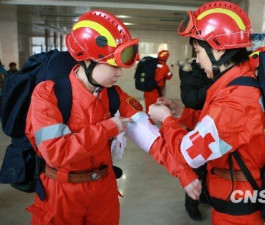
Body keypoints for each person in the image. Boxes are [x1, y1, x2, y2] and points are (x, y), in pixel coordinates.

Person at [25, 10, 200, 225]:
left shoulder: (116, 97)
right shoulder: (48, 95)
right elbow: (55, 152)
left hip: (104, 191)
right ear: (87, 60)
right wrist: (107, 128)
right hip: (61, 193)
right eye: (113, 65)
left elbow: (152, 138)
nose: (119, 74)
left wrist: (184, 174)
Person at [148, 1, 265, 224]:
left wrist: (165, 120)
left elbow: (190, 155)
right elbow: (217, 128)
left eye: (199, 51)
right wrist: (181, 113)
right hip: (232, 196)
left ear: (219, 49)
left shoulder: (236, 99)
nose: (198, 59)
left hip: (237, 208)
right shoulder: (236, 85)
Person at [179, 58, 212, 221]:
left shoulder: (215, 72)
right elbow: (190, 99)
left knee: (209, 165)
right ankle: (191, 204)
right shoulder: (189, 72)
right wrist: (213, 88)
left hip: (212, 125)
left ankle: (204, 194)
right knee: (196, 167)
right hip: (196, 126)